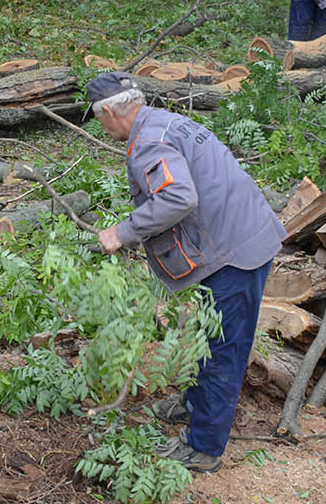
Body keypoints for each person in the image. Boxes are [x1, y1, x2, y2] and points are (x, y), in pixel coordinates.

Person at [91, 72, 286, 473]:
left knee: (222, 348)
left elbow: (178, 195)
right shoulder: (162, 120)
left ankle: (204, 446)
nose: (102, 127)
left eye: (98, 119)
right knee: (207, 332)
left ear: (109, 111)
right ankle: (195, 403)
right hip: (238, 234)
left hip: (235, 250)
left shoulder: (148, 142)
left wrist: (122, 232)